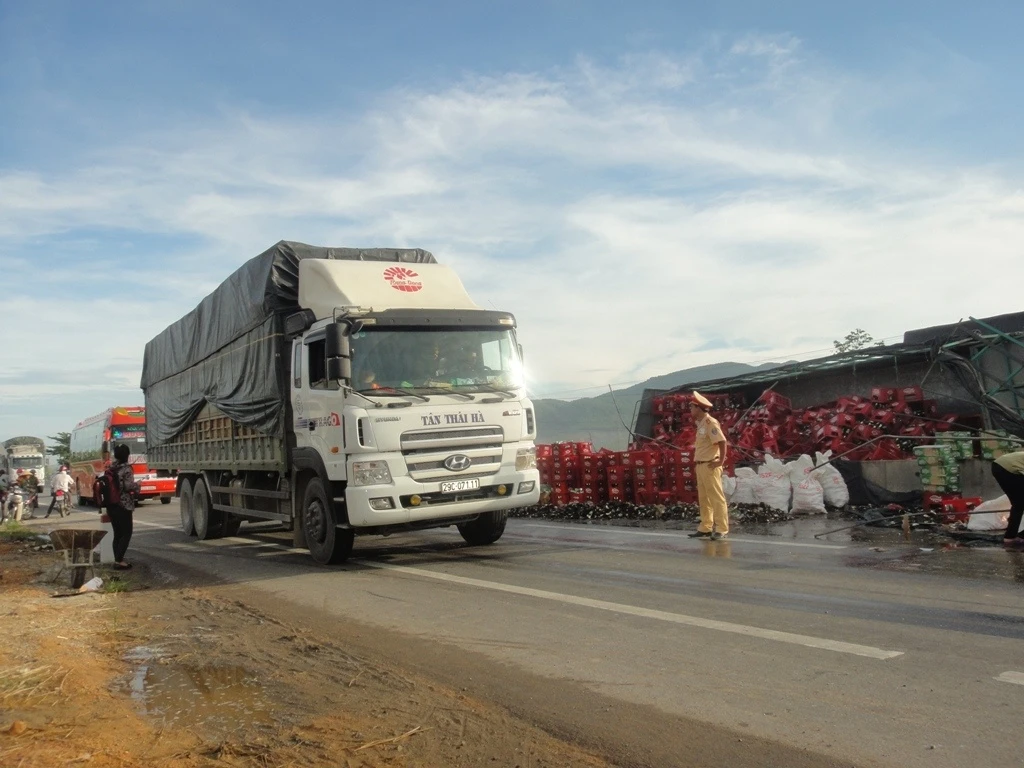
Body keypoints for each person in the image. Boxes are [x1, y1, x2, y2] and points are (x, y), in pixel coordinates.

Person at [687, 391, 730, 541]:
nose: (690, 410)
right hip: (701, 465)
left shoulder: (710, 423)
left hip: (710, 465)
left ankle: (721, 528)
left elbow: (722, 441)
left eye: (691, 407)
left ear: (698, 408)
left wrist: (720, 461)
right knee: (704, 498)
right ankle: (705, 527)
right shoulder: (701, 425)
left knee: (716, 498)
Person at [106, 443, 140, 569]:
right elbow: (128, 486)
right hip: (124, 505)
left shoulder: (110, 468)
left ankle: (117, 560)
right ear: (127, 455)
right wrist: (138, 485)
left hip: (111, 504)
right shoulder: (127, 469)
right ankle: (119, 561)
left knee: (117, 534)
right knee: (127, 533)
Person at [991, 450, 1024, 547]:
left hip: (1000, 465)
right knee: (1019, 503)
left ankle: (1010, 537)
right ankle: (1015, 537)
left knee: (1018, 504)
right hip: (1007, 468)